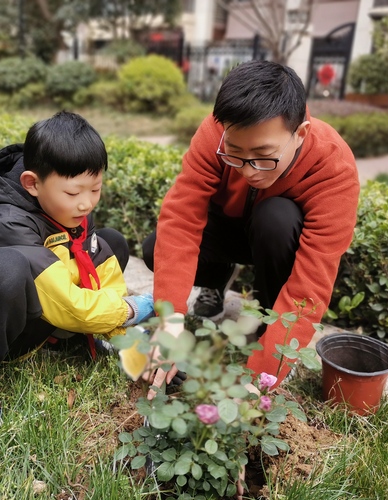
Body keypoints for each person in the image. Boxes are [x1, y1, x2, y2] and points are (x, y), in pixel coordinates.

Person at [141, 60, 360, 395]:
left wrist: (260, 378)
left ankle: (269, 316)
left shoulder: (334, 167)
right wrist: (169, 319)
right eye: (235, 153)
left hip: (276, 237)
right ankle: (216, 280)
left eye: (264, 155)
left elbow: (310, 287)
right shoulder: (215, 133)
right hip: (227, 229)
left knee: (277, 217)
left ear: (299, 133)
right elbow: (181, 219)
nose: (249, 170)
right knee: (154, 246)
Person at [0, 111, 154, 431]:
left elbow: (90, 263)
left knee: (108, 242)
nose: (86, 203)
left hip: (37, 304)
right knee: (5, 268)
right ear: (32, 184)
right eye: (74, 193)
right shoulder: (7, 223)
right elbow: (65, 302)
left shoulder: (68, 206)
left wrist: (114, 326)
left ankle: (91, 334)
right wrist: (129, 309)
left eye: (95, 189)